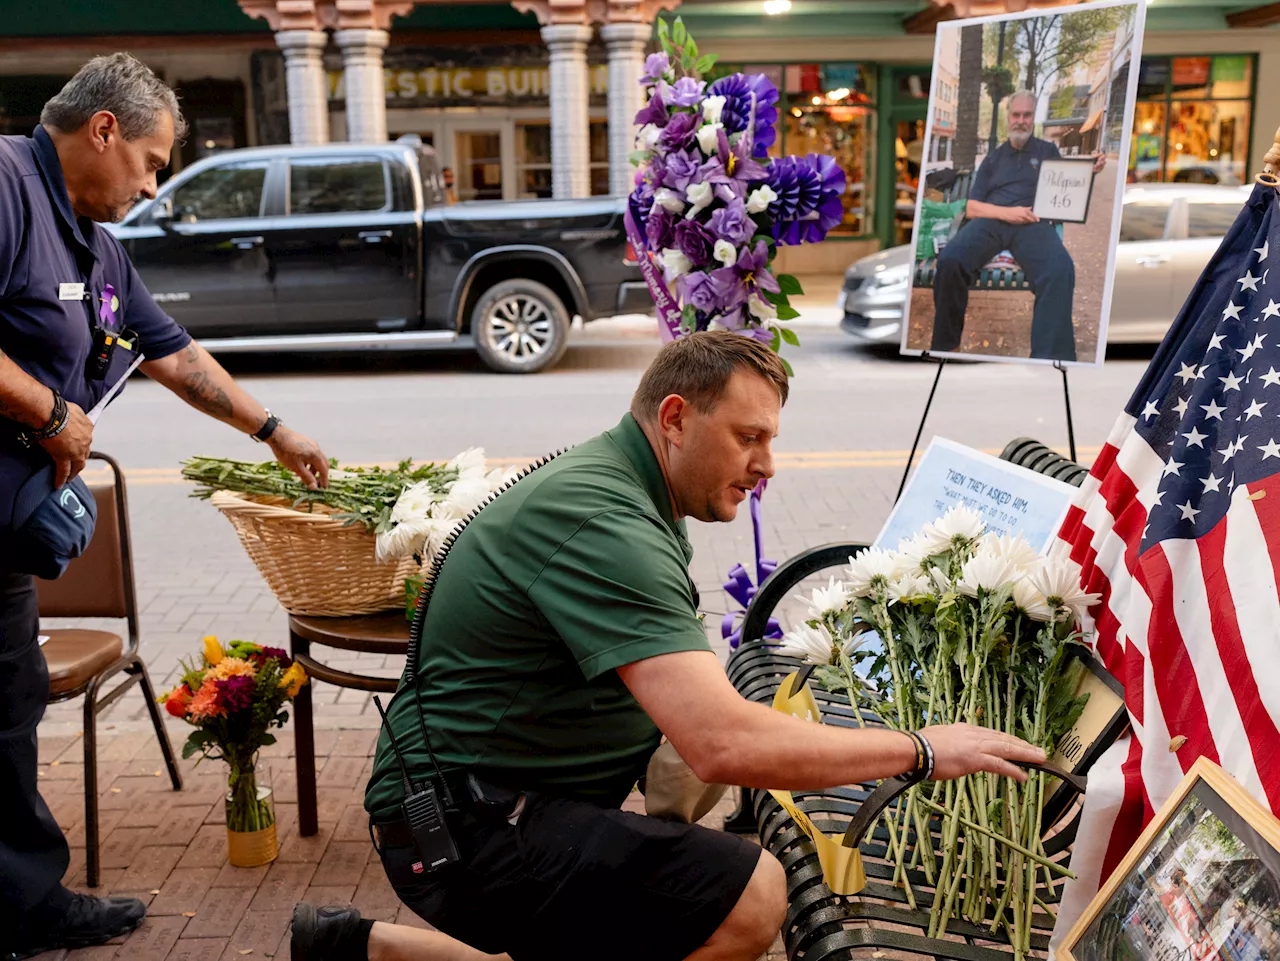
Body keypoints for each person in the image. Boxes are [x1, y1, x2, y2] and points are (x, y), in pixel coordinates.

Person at [292, 332, 1046, 961]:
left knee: (682, 880)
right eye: (748, 437)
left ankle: (366, 949)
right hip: (461, 833)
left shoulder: (630, 489)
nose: (767, 465)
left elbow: (680, 719)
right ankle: (384, 950)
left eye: (771, 440)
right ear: (676, 417)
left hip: (490, 807)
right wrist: (917, 749)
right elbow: (718, 741)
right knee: (751, 894)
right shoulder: (606, 520)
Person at [0, 54, 329, 959]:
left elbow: (174, 356)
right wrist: (52, 411)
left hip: (6, 540)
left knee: (8, 708)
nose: (152, 184)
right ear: (102, 129)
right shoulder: (4, 187)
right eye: (149, 160)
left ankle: (27, 905)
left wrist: (276, 430)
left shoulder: (100, 248)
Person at [929, 90, 1106, 363]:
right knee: (950, 260)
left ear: (1033, 118)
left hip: (1033, 224)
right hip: (991, 222)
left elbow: (1069, 181)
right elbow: (972, 208)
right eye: (1016, 115)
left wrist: (1091, 169)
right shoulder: (993, 158)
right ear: (1008, 118)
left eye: (1026, 115)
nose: (1020, 120)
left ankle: (1048, 358)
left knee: (1060, 269)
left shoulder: (1048, 151)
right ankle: (945, 347)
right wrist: (1008, 213)